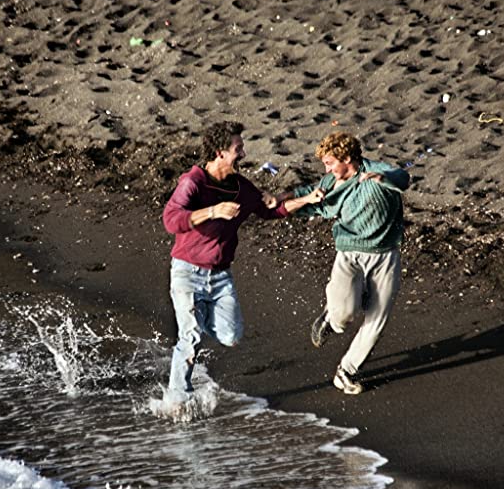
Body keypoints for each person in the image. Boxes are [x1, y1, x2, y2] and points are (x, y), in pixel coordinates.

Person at [161, 121, 321, 408]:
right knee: (191, 336)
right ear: (220, 152)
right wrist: (212, 211)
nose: (243, 153)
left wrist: (304, 199)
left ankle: (198, 316)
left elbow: (269, 211)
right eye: (238, 149)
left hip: (221, 277)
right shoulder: (193, 181)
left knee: (231, 336)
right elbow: (171, 220)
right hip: (187, 271)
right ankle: (176, 400)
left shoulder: (240, 187)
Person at [280, 131, 410, 395]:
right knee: (344, 315)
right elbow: (304, 197)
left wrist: (384, 179)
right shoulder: (331, 183)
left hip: (385, 254)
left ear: (347, 158)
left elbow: (402, 177)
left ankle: (347, 371)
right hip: (349, 253)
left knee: (377, 318)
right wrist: (284, 201)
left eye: (329, 163)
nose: (326, 169)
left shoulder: (376, 171)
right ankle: (330, 319)